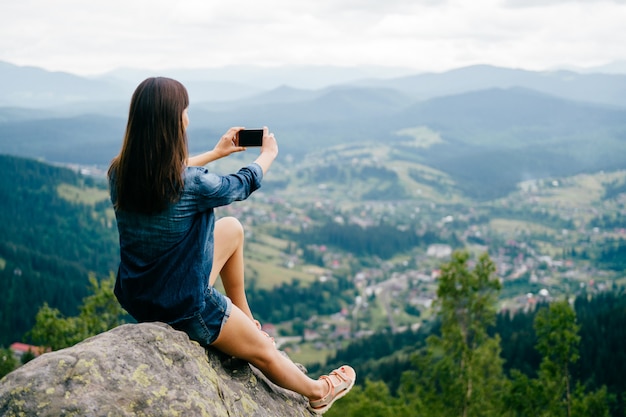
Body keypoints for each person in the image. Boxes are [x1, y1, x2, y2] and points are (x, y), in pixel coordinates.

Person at [108, 77, 355, 415]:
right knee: (265, 354)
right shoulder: (193, 185)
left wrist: (216, 152)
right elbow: (239, 185)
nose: (188, 119)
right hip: (184, 307)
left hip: (142, 298)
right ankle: (318, 392)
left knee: (231, 230)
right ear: (171, 122)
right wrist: (268, 155)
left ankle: (244, 319)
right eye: (184, 112)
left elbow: (164, 173)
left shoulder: (119, 173)